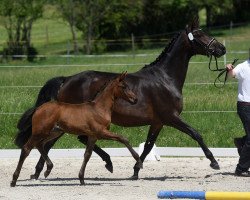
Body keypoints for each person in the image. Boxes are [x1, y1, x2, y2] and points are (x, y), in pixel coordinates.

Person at [226, 58, 250, 176]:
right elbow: (232, 74)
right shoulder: (243, 66)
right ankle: (241, 169)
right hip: (245, 106)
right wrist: (229, 68)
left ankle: (241, 142)